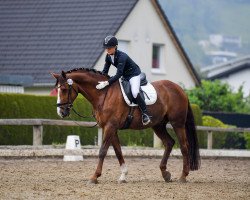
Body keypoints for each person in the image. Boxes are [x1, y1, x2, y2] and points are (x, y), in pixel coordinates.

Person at [96, 35, 151, 125]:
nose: (107, 50)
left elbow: (118, 74)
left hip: (134, 75)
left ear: (115, 47)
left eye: (109, 48)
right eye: (106, 48)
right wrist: (99, 79)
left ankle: (145, 114)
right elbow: (105, 71)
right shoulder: (108, 56)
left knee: (134, 92)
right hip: (125, 76)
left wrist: (107, 82)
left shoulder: (122, 56)